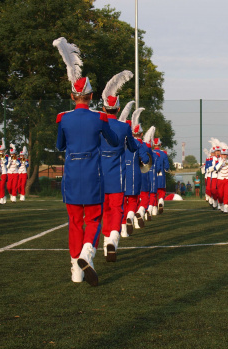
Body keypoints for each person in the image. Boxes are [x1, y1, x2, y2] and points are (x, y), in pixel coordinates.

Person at [54, 36, 119, 286]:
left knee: (74, 221)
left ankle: (75, 269)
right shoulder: (100, 119)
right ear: (91, 97)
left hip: (72, 175)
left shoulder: (62, 118)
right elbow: (113, 140)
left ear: (72, 96)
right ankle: (86, 253)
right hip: (93, 175)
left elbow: (60, 145)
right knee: (93, 218)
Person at [100, 72, 138, 261]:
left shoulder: (97, 125)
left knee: (103, 210)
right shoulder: (123, 128)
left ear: (103, 107)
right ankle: (113, 239)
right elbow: (132, 147)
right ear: (119, 108)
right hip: (117, 175)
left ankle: (107, 239)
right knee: (116, 209)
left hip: (98, 176)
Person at [120, 108, 150, 237]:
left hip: (121, 173)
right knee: (133, 200)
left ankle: (123, 232)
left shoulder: (121, 142)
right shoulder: (141, 145)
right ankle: (131, 216)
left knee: (121, 203)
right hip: (134, 173)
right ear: (141, 134)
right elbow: (146, 159)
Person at [214, 144, 228, 213]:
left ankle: (226, 206)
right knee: (220, 194)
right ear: (221, 155)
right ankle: (220, 204)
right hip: (220, 180)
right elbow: (216, 169)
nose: (224, 156)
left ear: (227, 156)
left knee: (227, 193)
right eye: (223, 155)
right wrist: (221, 162)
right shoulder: (218, 161)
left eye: (225, 155)